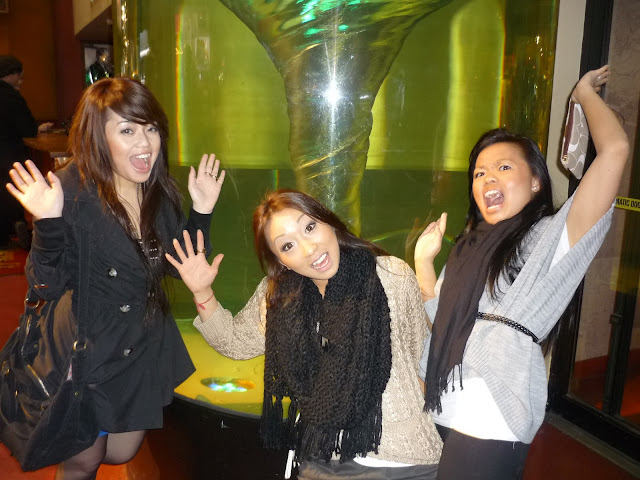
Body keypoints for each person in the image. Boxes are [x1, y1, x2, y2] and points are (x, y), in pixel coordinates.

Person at [413, 65, 629, 479]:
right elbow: (435, 322)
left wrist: (583, 93)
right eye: (479, 173)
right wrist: (424, 262)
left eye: (504, 168)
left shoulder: (550, 237)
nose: (487, 178)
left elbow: (615, 150)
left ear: (535, 183)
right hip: (441, 403)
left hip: (491, 410)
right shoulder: (467, 251)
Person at [5, 77, 225, 479]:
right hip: (87, 345)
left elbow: (178, 263)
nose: (145, 144)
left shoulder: (158, 190)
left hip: (139, 341)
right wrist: (48, 222)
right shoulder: (69, 189)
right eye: (127, 131)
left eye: (151, 129)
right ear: (99, 137)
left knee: (122, 450)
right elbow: (44, 285)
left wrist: (202, 210)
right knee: (83, 460)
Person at [166, 190, 442, 479]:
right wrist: (202, 292)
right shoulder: (280, 296)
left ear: (328, 222)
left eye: (309, 227)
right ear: (282, 261)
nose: (309, 249)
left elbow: (418, 353)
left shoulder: (391, 276)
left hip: (403, 461)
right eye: (288, 245)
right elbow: (234, 342)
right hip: (320, 458)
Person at [0, 55, 53, 246]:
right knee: (11, 190)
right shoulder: (11, 97)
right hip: (9, 153)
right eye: (20, 76)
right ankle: (15, 226)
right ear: (12, 74)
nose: (21, 81)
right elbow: (28, 128)